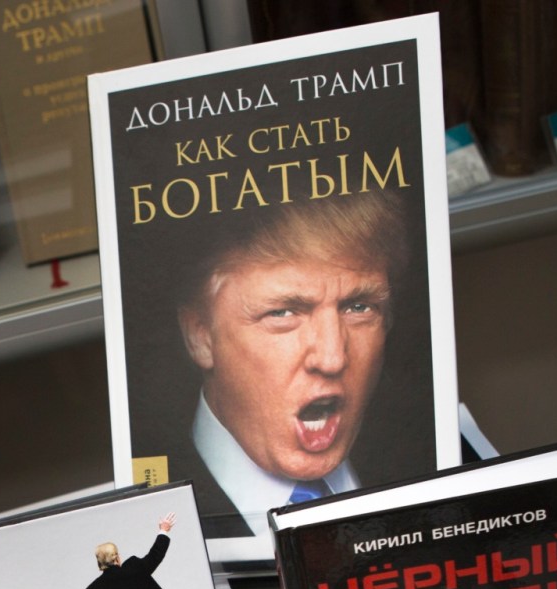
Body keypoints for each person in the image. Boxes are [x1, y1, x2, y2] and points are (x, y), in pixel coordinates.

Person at [172, 191, 410, 538]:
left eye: (359, 307)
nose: (332, 358)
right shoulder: (148, 517)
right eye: (282, 313)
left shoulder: (433, 454)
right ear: (200, 336)